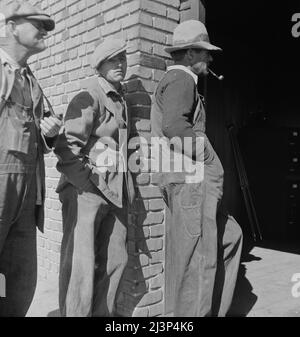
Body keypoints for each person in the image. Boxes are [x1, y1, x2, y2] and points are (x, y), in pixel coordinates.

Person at [151, 20, 243, 317]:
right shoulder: (182, 79)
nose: (210, 59)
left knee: (230, 237)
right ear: (189, 54)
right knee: (199, 262)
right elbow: (175, 127)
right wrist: (208, 157)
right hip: (192, 182)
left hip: (185, 180)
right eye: (205, 53)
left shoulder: (176, 80)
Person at [54, 37, 135, 317]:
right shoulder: (89, 95)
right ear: (99, 66)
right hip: (86, 192)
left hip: (113, 191)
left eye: (123, 59)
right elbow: (67, 147)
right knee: (81, 267)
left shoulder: (120, 98)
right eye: (113, 60)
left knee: (115, 260)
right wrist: (86, 184)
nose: (120, 65)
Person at [0, 1, 61, 316]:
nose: (44, 31)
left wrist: (49, 133)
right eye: (37, 24)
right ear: (12, 27)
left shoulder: (31, 79)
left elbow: (31, 137)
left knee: (20, 278)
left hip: (27, 193)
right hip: (1, 186)